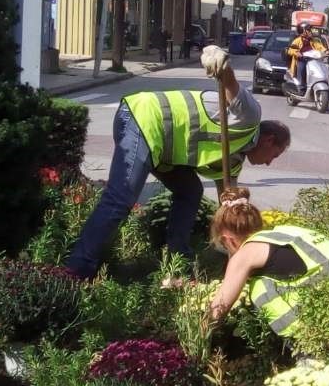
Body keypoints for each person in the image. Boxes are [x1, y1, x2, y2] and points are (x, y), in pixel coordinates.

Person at [65, 46, 292, 278]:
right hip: (143, 119)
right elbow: (230, 86)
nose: (268, 164)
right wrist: (221, 63)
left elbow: (229, 209)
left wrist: (241, 250)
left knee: (190, 190)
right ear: (269, 140)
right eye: (274, 155)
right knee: (120, 199)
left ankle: (177, 260)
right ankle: (76, 270)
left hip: (162, 148)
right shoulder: (250, 116)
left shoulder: (233, 161)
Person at [205, 189, 329, 336]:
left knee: (258, 286)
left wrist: (195, 340)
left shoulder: (245, 254)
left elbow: (217, 311)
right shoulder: (284, 232)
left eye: (224, 246)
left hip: (324, 326)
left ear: (227, 240)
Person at [286, 23, 319, 92]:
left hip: (312, 60)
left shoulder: (313, 41)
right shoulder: (297, 40)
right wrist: (297, 53)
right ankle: (301, 86)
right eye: (309, 30)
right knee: (302, 68)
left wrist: (327, 51)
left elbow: (320, 47)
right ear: (303, 31)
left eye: (310, 30)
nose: (311, 31)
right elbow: (290, 50)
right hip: (301, 60)